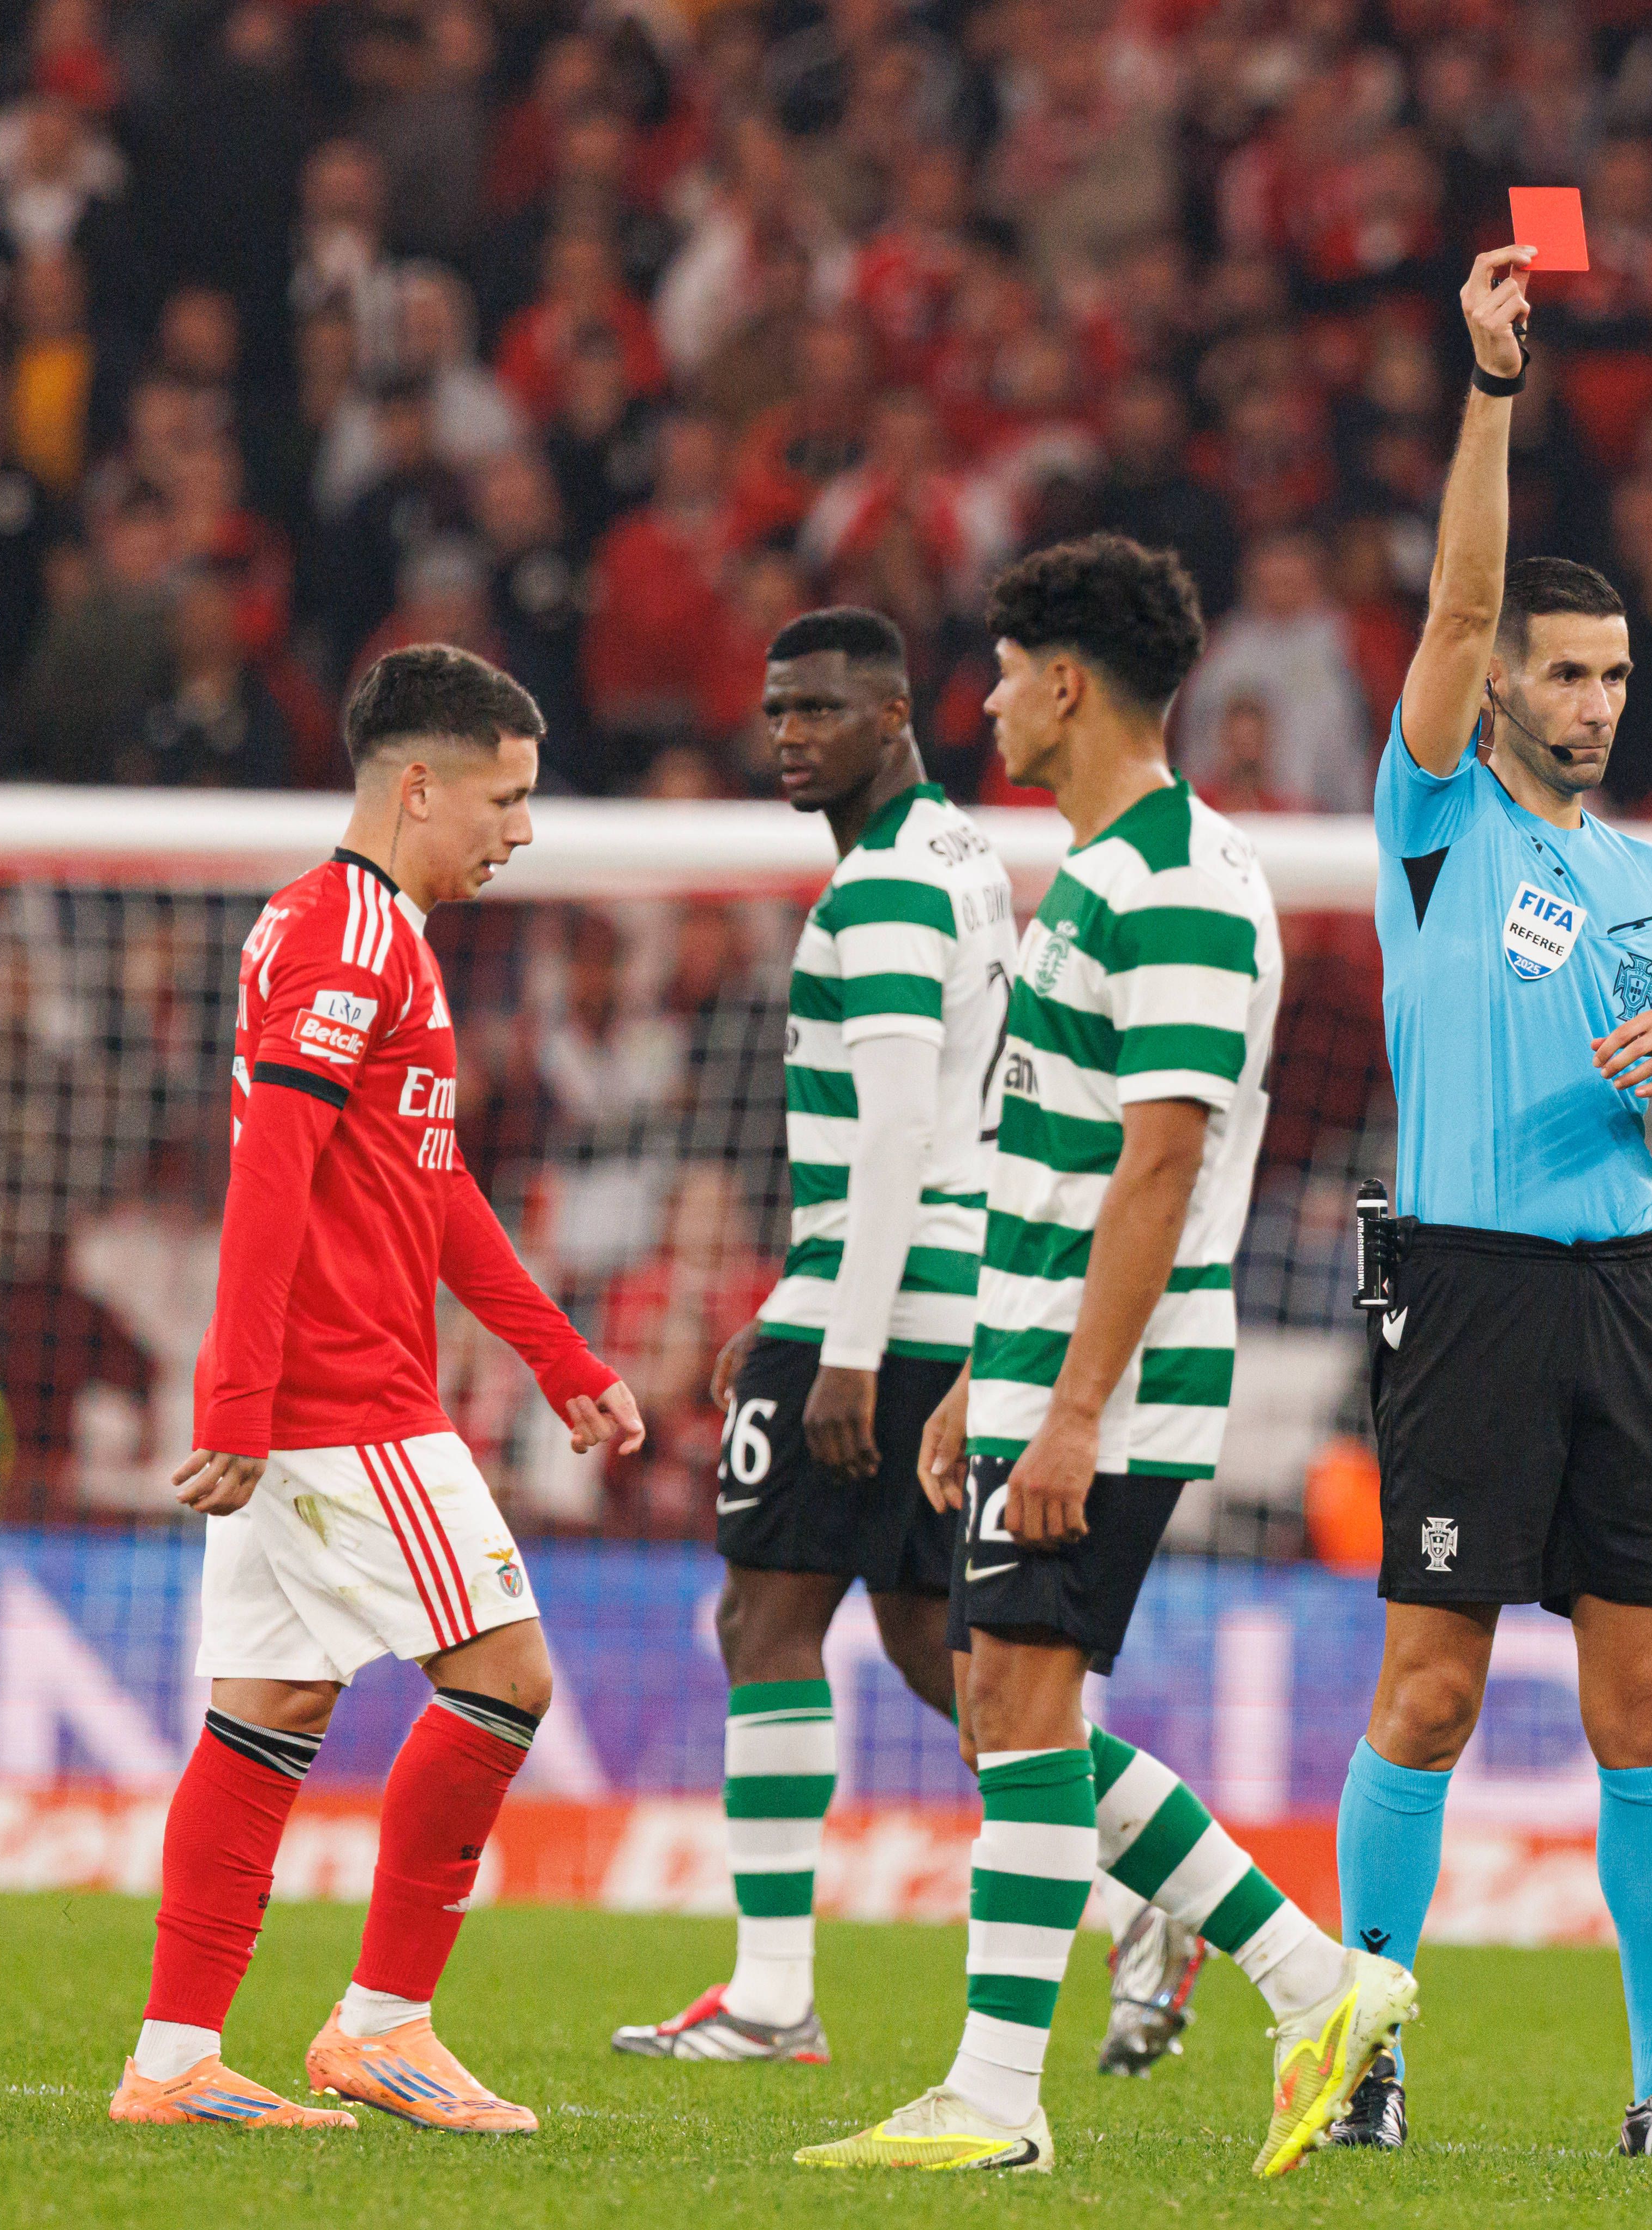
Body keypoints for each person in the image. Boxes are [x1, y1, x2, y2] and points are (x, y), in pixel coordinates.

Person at [796, 537, 1410, 2178]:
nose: (983, 700)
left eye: (1001, 670)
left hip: (1112, 1380)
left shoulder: (1178, 887)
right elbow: (1057, 1168)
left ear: (1065, 684)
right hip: (1040, 1362)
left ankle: (998, 2093)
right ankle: (1312, 1977)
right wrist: (980, 1385)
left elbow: (1157, 1167)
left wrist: (1065, 1408)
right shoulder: (1102, 876)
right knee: (1012, 1710)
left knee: (1019, 1697)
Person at [1332, 246, 1652, 2164]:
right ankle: (1361, 2048)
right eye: (1564, 671)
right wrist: (1492, 387)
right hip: (1466, 1287)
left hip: (1619, 1292)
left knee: (1648, 1690)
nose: (1591, 702)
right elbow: (1448, 592)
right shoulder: (1436, 824)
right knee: (1428, 1687)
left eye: (1612, 676)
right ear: (1498, 685)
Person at [108, 645, 647, 2134]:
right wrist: (236, 1396)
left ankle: (173, 2058)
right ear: (422, 785)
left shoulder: (348, 923)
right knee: (508, 1675)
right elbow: (272, 1167)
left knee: (267, 1710)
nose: (521, 830)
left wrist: (560, 1356)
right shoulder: (356, 940)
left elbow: (427, 1176)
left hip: (324, 1394)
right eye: (507, 796)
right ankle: (384, 2023)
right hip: (347, 1397)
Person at [608, 608, 1042, 2060]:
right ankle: (1159, 1868)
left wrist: (841, 1342)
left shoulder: (889, 895)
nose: (788, 734)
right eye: (775, 709)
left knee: (766, 1617)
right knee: (943, 1650)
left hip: (893, 1304)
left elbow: (902, 1126)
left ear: (895, 715)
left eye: (819, 709)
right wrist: (793, 1306)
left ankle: (775, 1995)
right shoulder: (959, 857)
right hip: (933, 1286)